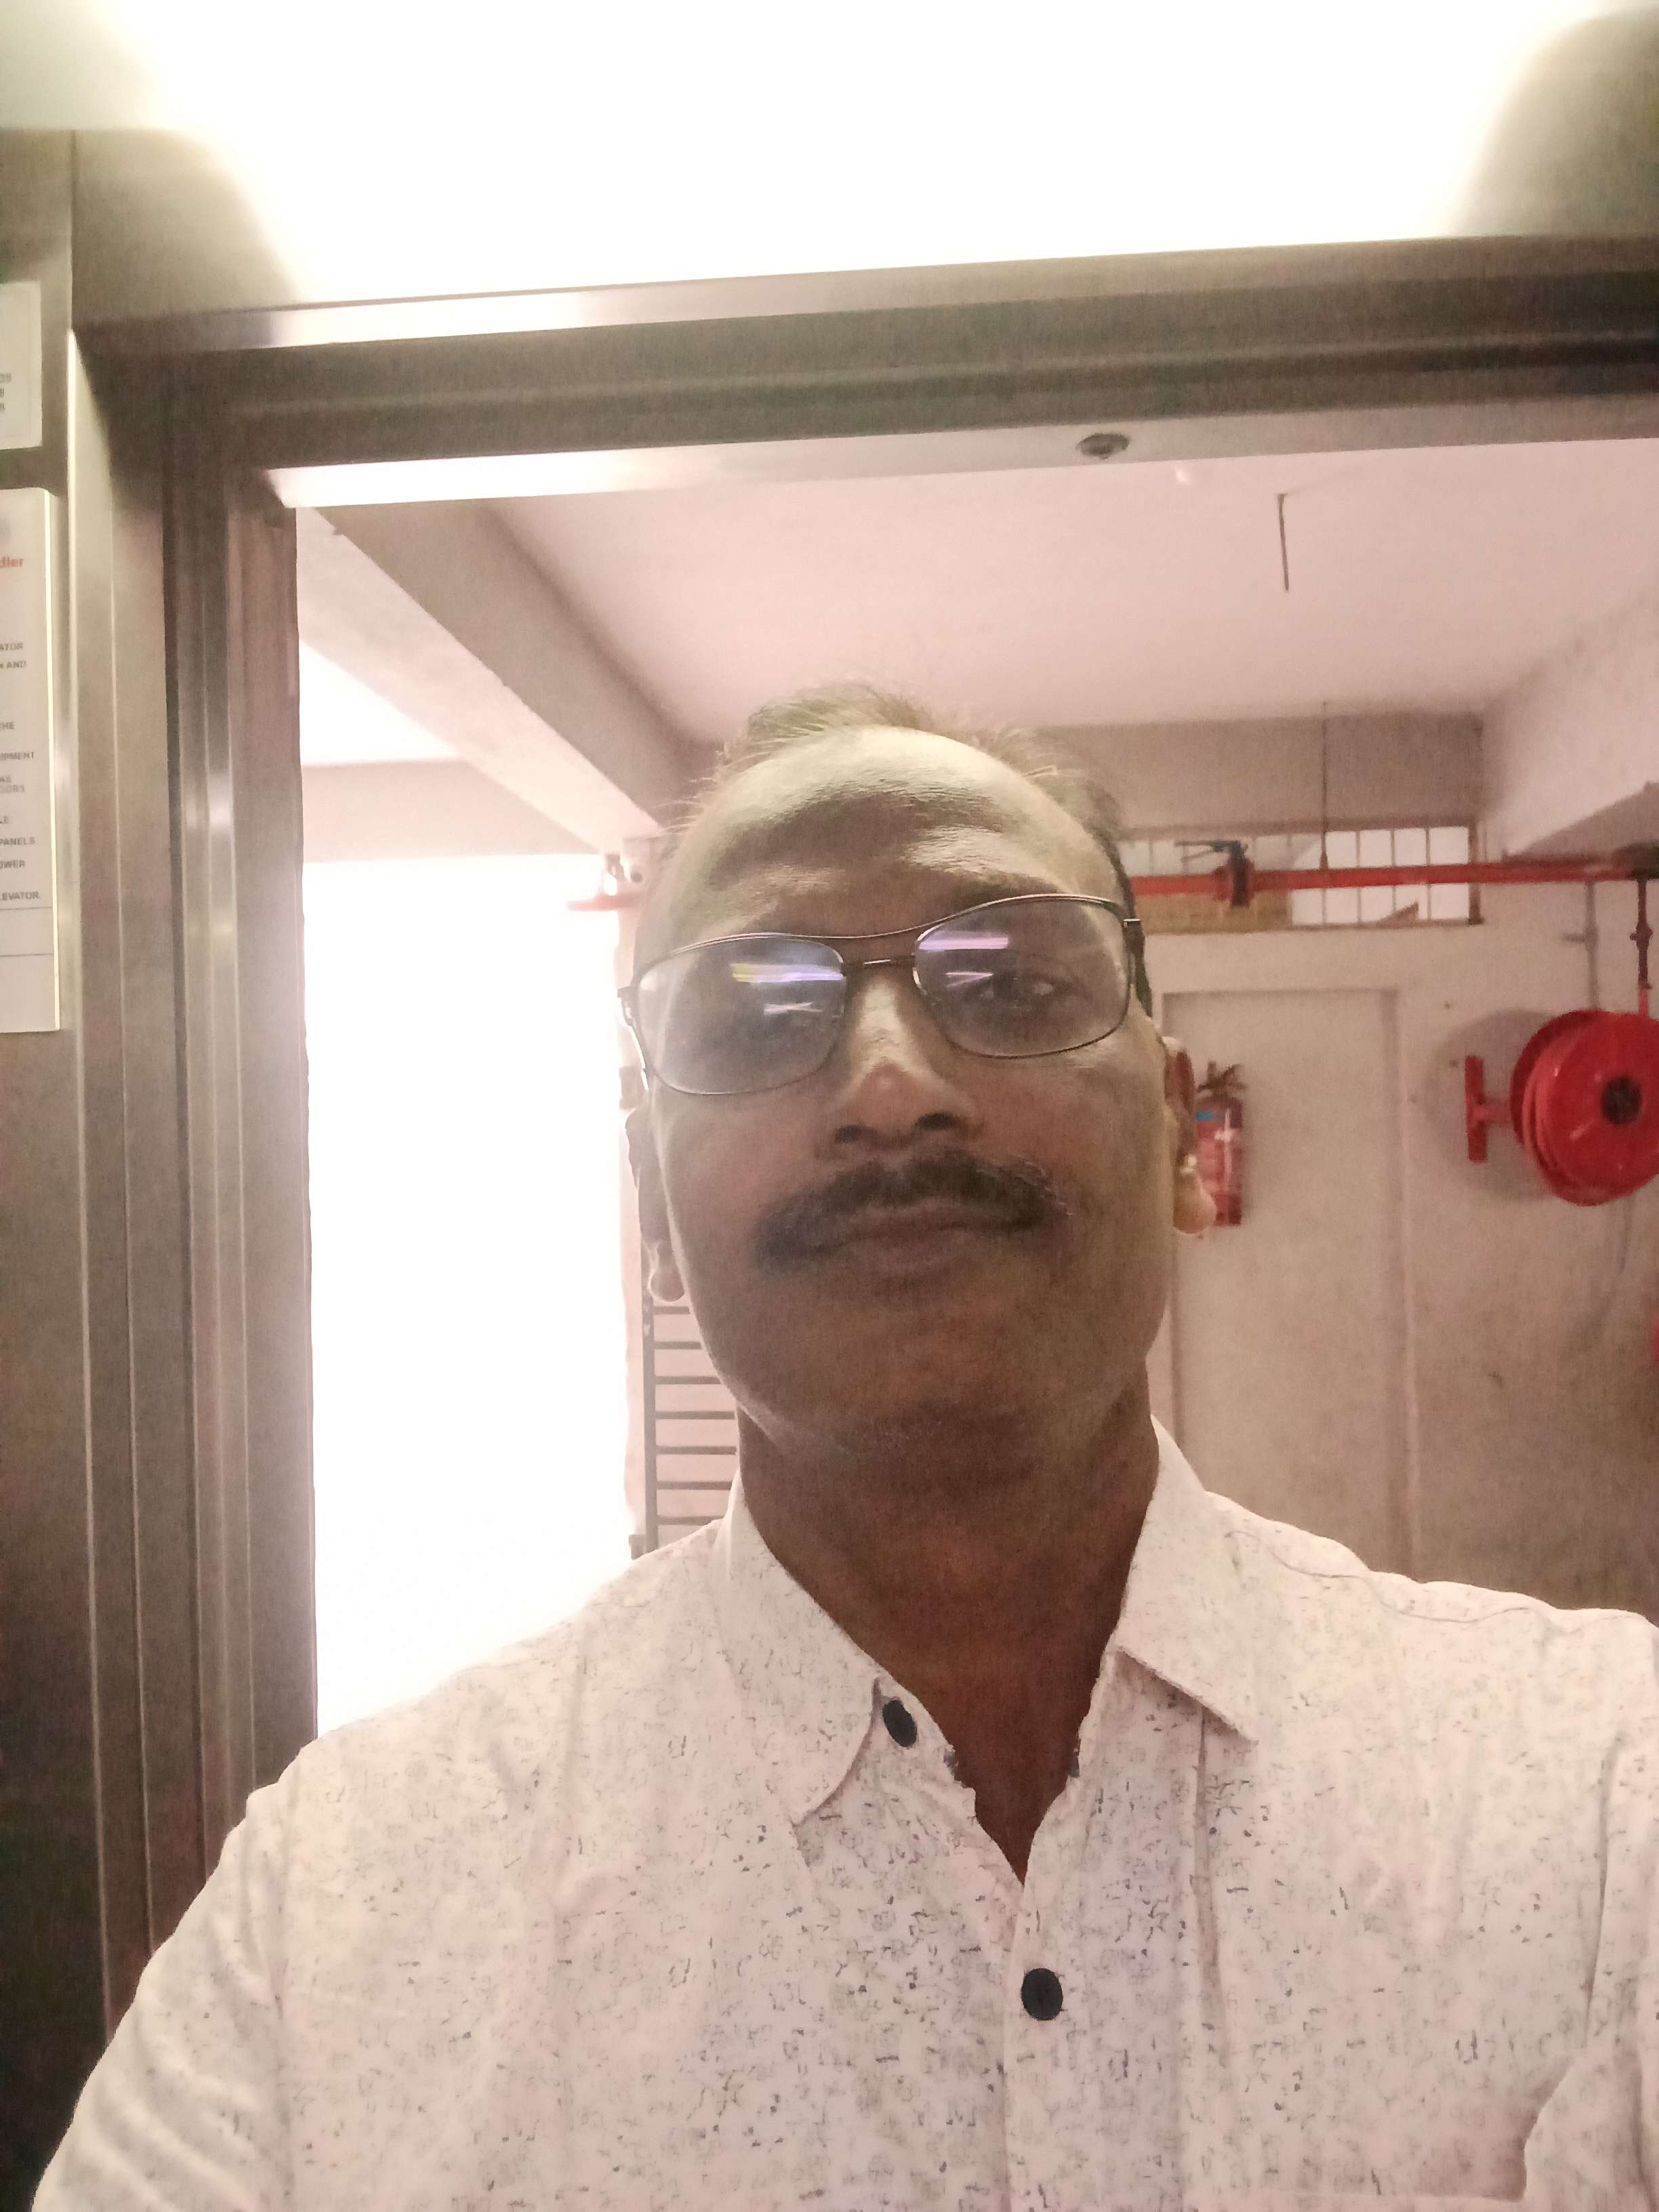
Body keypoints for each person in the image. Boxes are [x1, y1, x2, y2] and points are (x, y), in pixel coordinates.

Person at [37, 687, 1659, 2210]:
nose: (890, 1086)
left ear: (1178, 1124)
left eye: (1010, 984)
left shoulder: (1595, 1805)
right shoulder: (339, 1922)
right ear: (650, 1205)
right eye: (755, 1015)